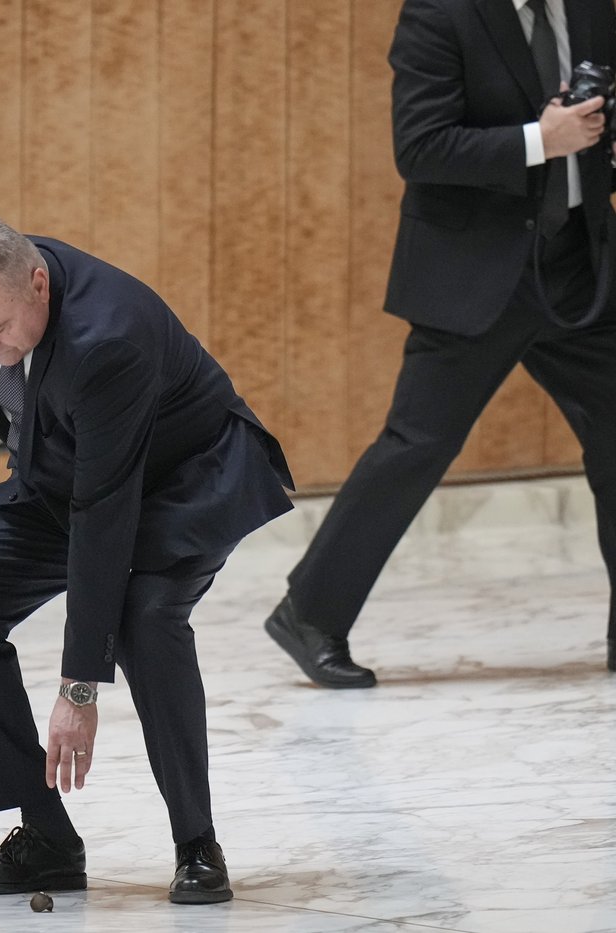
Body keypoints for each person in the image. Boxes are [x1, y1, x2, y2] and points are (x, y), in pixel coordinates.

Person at [0, 217, 295, 904]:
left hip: (182, 482)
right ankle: (46, 840)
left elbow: (104, 517)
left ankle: (197, 842)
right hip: (64, 475)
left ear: (39, 285)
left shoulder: (107, 339)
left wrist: (79, 687)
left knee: (145, 619)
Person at [264, 0, 616, 689]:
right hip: (476, 273)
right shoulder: (440, 13)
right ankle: (309, 612)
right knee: (416, 447)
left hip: (578, 264)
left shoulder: (593, 5)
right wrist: (541, 140)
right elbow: (419, 147)